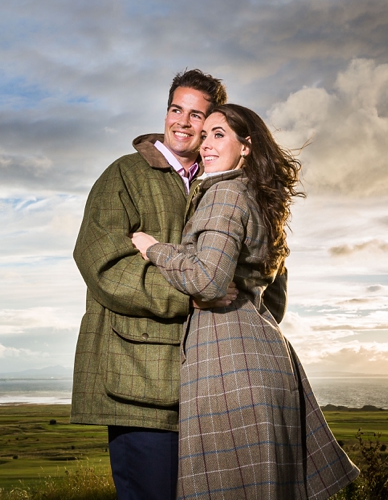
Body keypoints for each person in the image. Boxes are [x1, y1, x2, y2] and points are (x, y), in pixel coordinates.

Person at [131, 104, 359, 499]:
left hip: (228, 367)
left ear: (247, 146)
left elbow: (207, 280)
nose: (205, 144)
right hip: (265, 360)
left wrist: (155, 250)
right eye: (205, 136)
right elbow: (270, 294)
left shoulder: (224, 195)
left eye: (219, 135)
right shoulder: (256, 196)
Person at [70, 69, 229, 500]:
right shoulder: (123, 175)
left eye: (196, 115)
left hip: (211, 380)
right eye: (176, 109)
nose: (182, 122)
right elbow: (101, 263)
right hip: (138, 378)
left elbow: (259, 269)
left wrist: (244, 318)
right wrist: (196, 293)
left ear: (213, 124)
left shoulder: (225, 185)